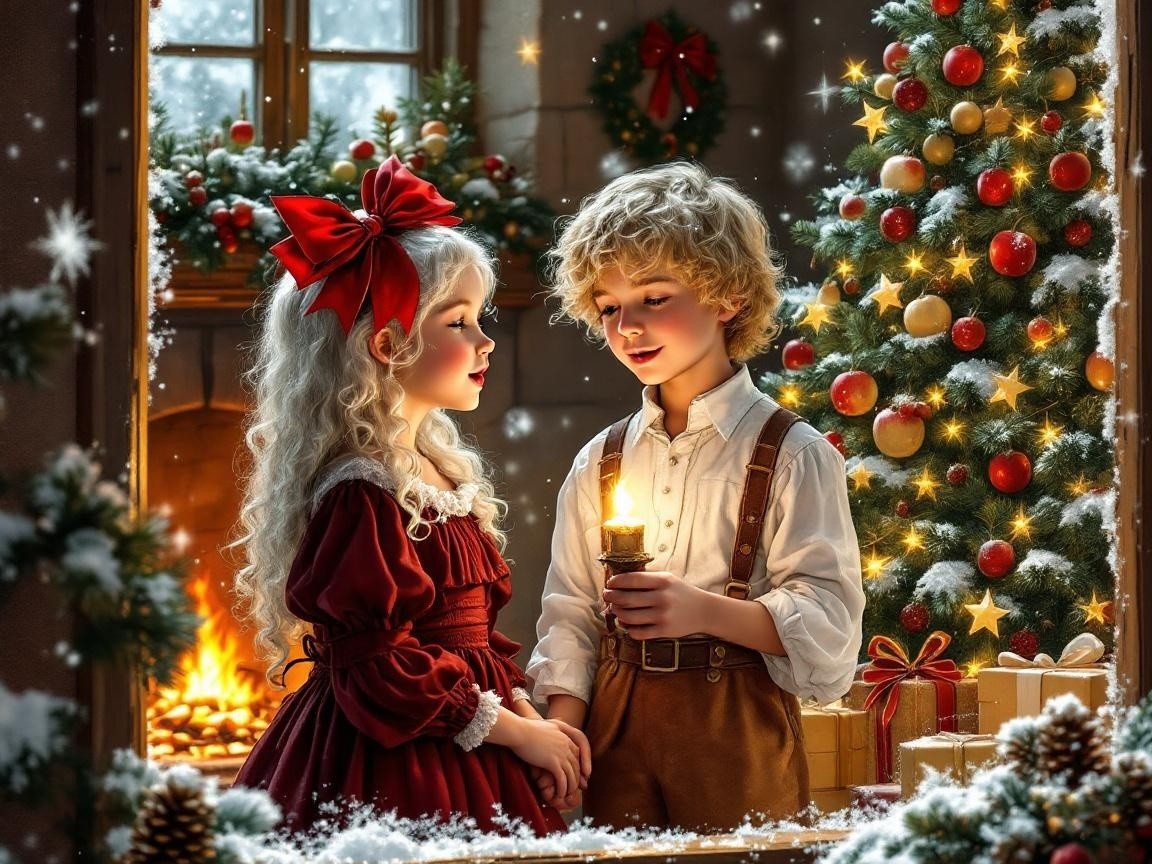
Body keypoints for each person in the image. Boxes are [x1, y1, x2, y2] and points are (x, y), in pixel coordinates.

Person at [232, 156, 587, 835]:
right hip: (394, 760)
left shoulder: (437, 472)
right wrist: (513, 733)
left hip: (473, 740)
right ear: (388, 344)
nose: (486, 341)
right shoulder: (362, 491)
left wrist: (529, 721)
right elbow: (380, 666)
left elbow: (475, 639)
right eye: (458, 323)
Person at [527, 161, 865, 831]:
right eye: (609, 306)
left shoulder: (793, 455)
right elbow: (570, 615)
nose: (628, 326)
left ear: (726, 297)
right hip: (615, 729)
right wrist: (563, 737)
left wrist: (704, 611)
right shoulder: (599, 459)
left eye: (654, 298)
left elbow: (830, 634)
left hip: (735, 728)